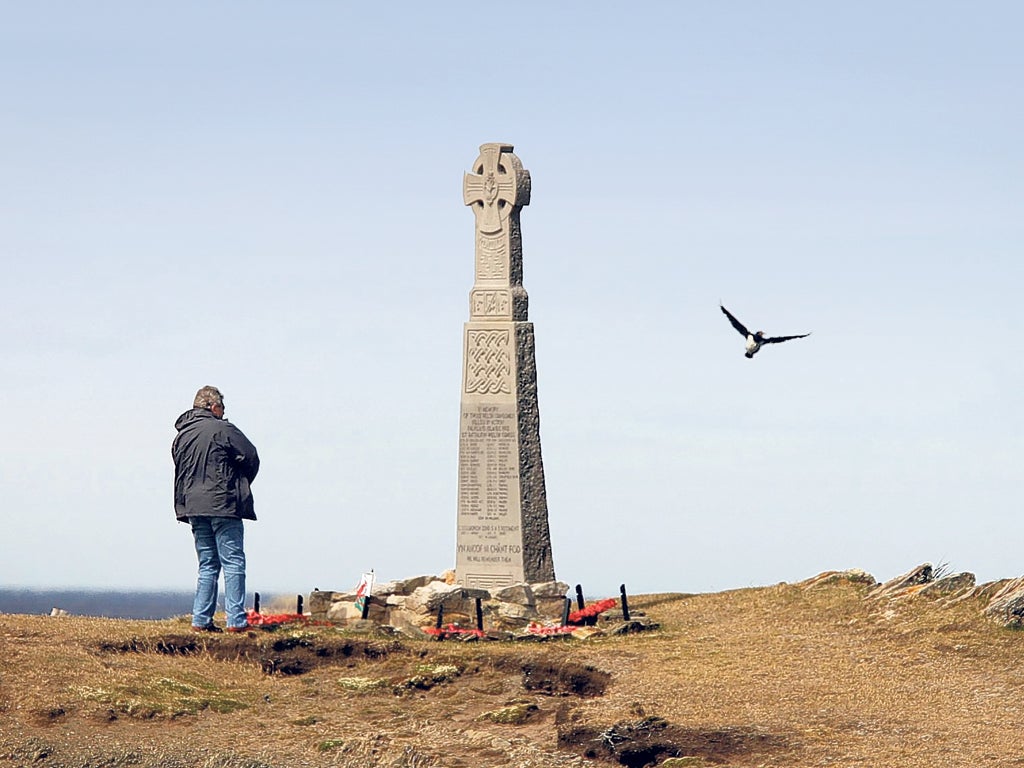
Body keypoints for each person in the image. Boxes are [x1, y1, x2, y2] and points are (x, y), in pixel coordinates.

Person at [172, 386, 260, 632]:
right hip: (223, 505)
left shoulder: (182, 436)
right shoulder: (223, 429)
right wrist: (238, 484)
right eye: (222, 408)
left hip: (193, 506)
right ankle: (236, 621)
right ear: (214, 407)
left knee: (207, 564)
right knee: (233, 562)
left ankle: (200, 620)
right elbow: (251, 457)